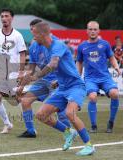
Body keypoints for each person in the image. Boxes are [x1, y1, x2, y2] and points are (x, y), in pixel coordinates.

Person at [20, 22, 95, 156]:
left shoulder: (57, 45)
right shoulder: (45, 47)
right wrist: (56, 81)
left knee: (69, 113)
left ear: (42, 34)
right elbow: (61, 66)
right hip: (62, 87)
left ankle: (89, 145)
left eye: (35, 35)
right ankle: (68, 132)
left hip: (75, 86)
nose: (33, 38)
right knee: (41, 115)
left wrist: (35, 76)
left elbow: (53, 64)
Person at [16, 19, 71, 138]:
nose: (32, 32)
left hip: (57, 81)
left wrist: (36, 76)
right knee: (25, 101)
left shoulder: (55, 43)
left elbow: (54, 64)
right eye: (31, 30)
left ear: (41, 31)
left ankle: (70, 132)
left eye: (34, 30)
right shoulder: (33, 46)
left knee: (59, 110)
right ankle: (30, 131)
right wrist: (21, 86)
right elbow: (31, 69)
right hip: (43, 81)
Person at [0, 8, 26, 134]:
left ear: (12, 18)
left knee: (18, 99)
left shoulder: (18, 35)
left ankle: (29, 119)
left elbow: (22, 54)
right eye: (2, 16)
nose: (4, 19)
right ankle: (7, 124)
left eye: (6, 16)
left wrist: (21, 71)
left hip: (13, 71)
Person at [76, 21, 121, 133]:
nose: (92, 31)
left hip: (105, 77)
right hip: (90, 78)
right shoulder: (82, 46)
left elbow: (111, 58)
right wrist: (78, 76)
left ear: (98, 31)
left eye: (95, 29)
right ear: (87, 31)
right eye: (90, 29)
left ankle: (111, 122)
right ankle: (93, 125)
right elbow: (79, 62)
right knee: (92, 97)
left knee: (115, 94)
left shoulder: (105, 44)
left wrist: (116, 66)